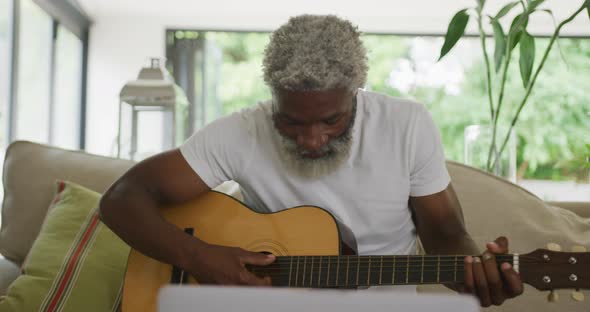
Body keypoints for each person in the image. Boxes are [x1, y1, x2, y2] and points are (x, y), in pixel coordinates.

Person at [99, 14, 523, 307]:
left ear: (356, 92)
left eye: (331, 120)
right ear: (273, 100)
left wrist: (478, 275)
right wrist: (197, 256)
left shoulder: (407, 124)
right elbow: (121, 198)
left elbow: (446, 235)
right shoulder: (241, 131)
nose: (313, 139)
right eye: (291, 122)